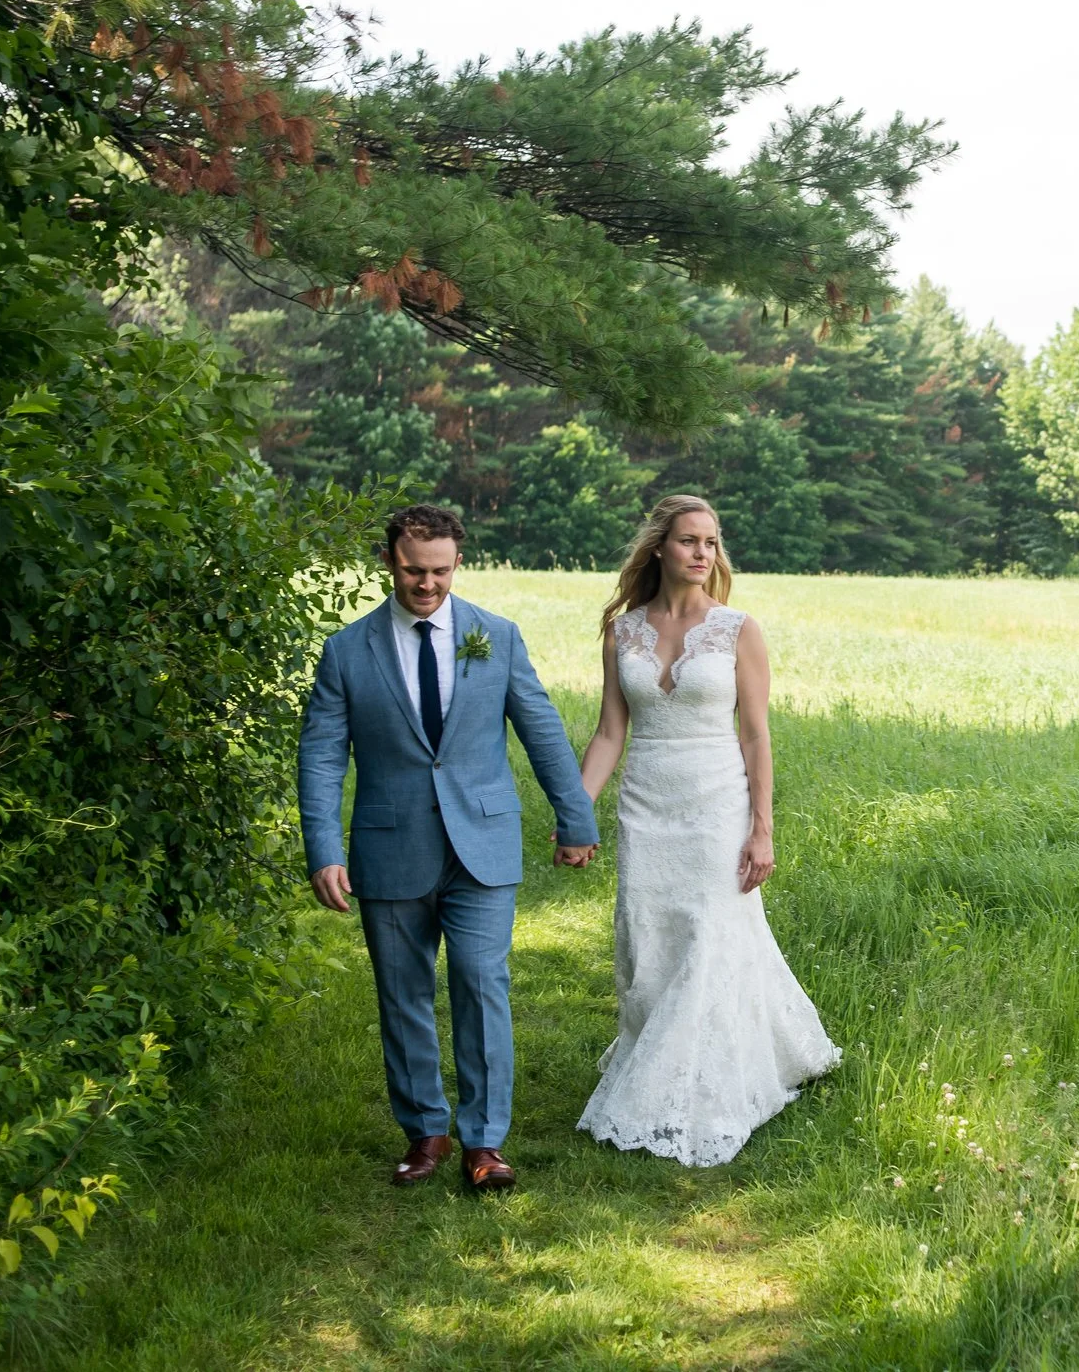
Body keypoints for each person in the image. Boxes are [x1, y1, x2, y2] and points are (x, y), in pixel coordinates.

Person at [297, 503, 599, 1191]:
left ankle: (485, 1140)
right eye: (412, 570)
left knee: (479, 978)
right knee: (402, 993)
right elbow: (319, 756)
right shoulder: (347, 650)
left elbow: (542, 730)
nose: (425, 583)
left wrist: (575, 818)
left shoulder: (497, 635)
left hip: (482, 844)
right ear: (389, 562)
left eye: (438, 570)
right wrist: (323, 847)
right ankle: (425, 1131)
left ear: (458, 563)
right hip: (388, 845)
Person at [573, 494, 840, 1166]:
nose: (702, 553)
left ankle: (705, 1085)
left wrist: (763, 828)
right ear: (659, 547)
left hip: (718, 804)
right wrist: (578, 810)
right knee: (650, 934)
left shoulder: (737, 629)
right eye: (690, 540)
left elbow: (756, 734)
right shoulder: (623, 631)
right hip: (645, 802)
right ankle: (656, 1051)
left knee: (712, 934)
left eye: (711, 542)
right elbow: (610, 732)